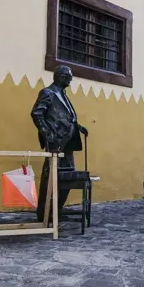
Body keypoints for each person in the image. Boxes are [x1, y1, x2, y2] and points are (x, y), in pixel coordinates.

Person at [30, 65, 89, 221]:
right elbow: (37, 113)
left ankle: (56, 211)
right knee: (51, 178)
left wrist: (78, 127)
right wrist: (49, 135)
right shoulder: (47, 93)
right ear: (61, 76)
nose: (70, 80)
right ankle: (45, 213)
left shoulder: (62, 94)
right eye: (69, 77)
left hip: (67, 142)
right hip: (56, 143)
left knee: (67, 177)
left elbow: (67, 118)